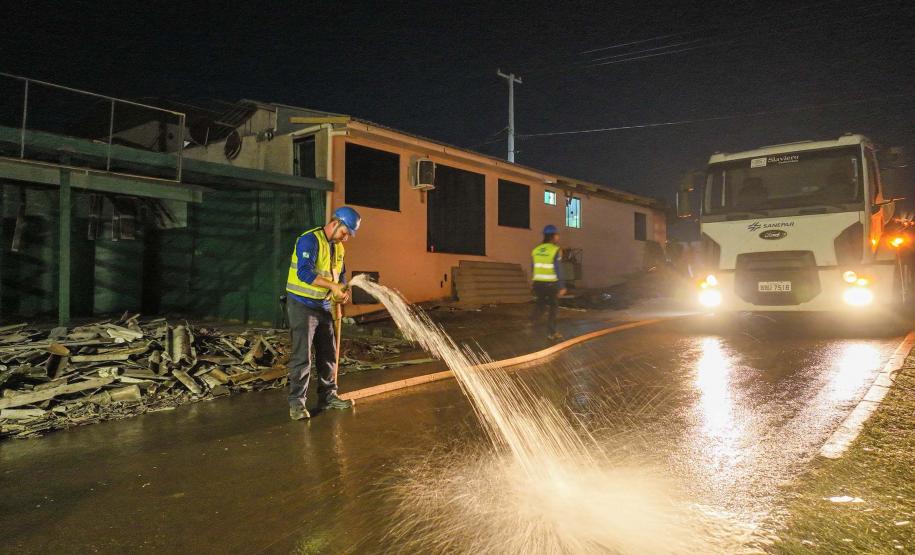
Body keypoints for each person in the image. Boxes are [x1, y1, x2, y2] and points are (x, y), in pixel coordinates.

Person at [285, 206, 361, 420]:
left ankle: (328, 396)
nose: (345, 238)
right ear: (335, 223)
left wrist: (342, 290)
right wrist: (332, 287)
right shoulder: (309, 240)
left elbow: (340, 275)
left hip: (324, 306)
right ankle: (297, 404)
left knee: (328, 354)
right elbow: (303, 272)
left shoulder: (338, 248)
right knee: (302, 357)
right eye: (345, 232)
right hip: (302, 305)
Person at [531, 224, 566, 341]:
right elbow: (558, 269)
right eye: (557, 235)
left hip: (538, 283)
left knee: (540, 305)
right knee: (553, 307)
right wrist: (562, 286)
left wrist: (534, 283)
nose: (558, 237)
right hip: (551, 284)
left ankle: (531, 324)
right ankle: (552, 332)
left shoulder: (536, 250)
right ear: (553, 236)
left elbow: (533, 267)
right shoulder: (556, 250)